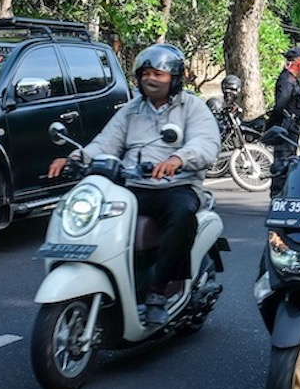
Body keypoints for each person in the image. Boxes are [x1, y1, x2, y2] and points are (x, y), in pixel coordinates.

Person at [48, 44, 220, 326]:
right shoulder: (131, 110)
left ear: (174, 78)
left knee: (182, 214)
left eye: (159, 74)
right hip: (134, 186)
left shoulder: (193, 108)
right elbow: (107, 142)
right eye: (146, 73)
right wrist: (75, 157)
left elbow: (206, 143)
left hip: (175, 187)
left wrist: (178, 158)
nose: (151, 79)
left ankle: (156, 293)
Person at [267, 46, 300, 197]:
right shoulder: (286, 80)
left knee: (290, 161)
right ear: (297, 62)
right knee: (282, 162)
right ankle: (277, 196)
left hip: (292, 129)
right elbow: (280, 106)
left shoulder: (293, 80)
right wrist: (272, 125)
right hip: (286, 129)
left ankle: (286, 194)